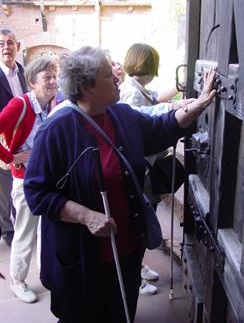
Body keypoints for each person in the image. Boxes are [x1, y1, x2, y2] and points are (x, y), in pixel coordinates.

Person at [23, 46, 215, 323]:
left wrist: (195, 107)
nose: (117, 77)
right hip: (81, 263)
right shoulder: (56, 130)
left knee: (120, 314)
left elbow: (162, 128)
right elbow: (37, 194)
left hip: (124, 252)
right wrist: (87, 216)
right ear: (87, 86)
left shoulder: (121, 116)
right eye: (107, 74)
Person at [119, 43, 191, 295]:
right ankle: (133, 275)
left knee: (142, 219)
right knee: (138, 224)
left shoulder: (137, 88)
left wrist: (181, 88)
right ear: (148, 67)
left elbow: (158, 98)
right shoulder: (130, 93)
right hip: (142, 171)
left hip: (147, 168)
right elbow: (147, 115)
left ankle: (137, 266)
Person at [0, 55, 58, 303]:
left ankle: (47, 275)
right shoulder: (20, 104)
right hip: (25, 180)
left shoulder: (52, 104)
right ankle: (17, 280)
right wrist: (11, 157)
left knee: (47, 231)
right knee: (25, 230)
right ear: (33, 82)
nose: (54, 81)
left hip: (49, 179)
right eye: (48, 77)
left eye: (55, 76)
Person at [0, 29, 28, 247]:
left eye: (10, 43)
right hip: (2, 138)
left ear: (17, 46)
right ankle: (7, 230)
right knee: (3, 186)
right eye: (1, 44)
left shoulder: (24, 73)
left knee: (21, 183)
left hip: (25, 137)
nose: (6, 47)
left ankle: (23, 223)